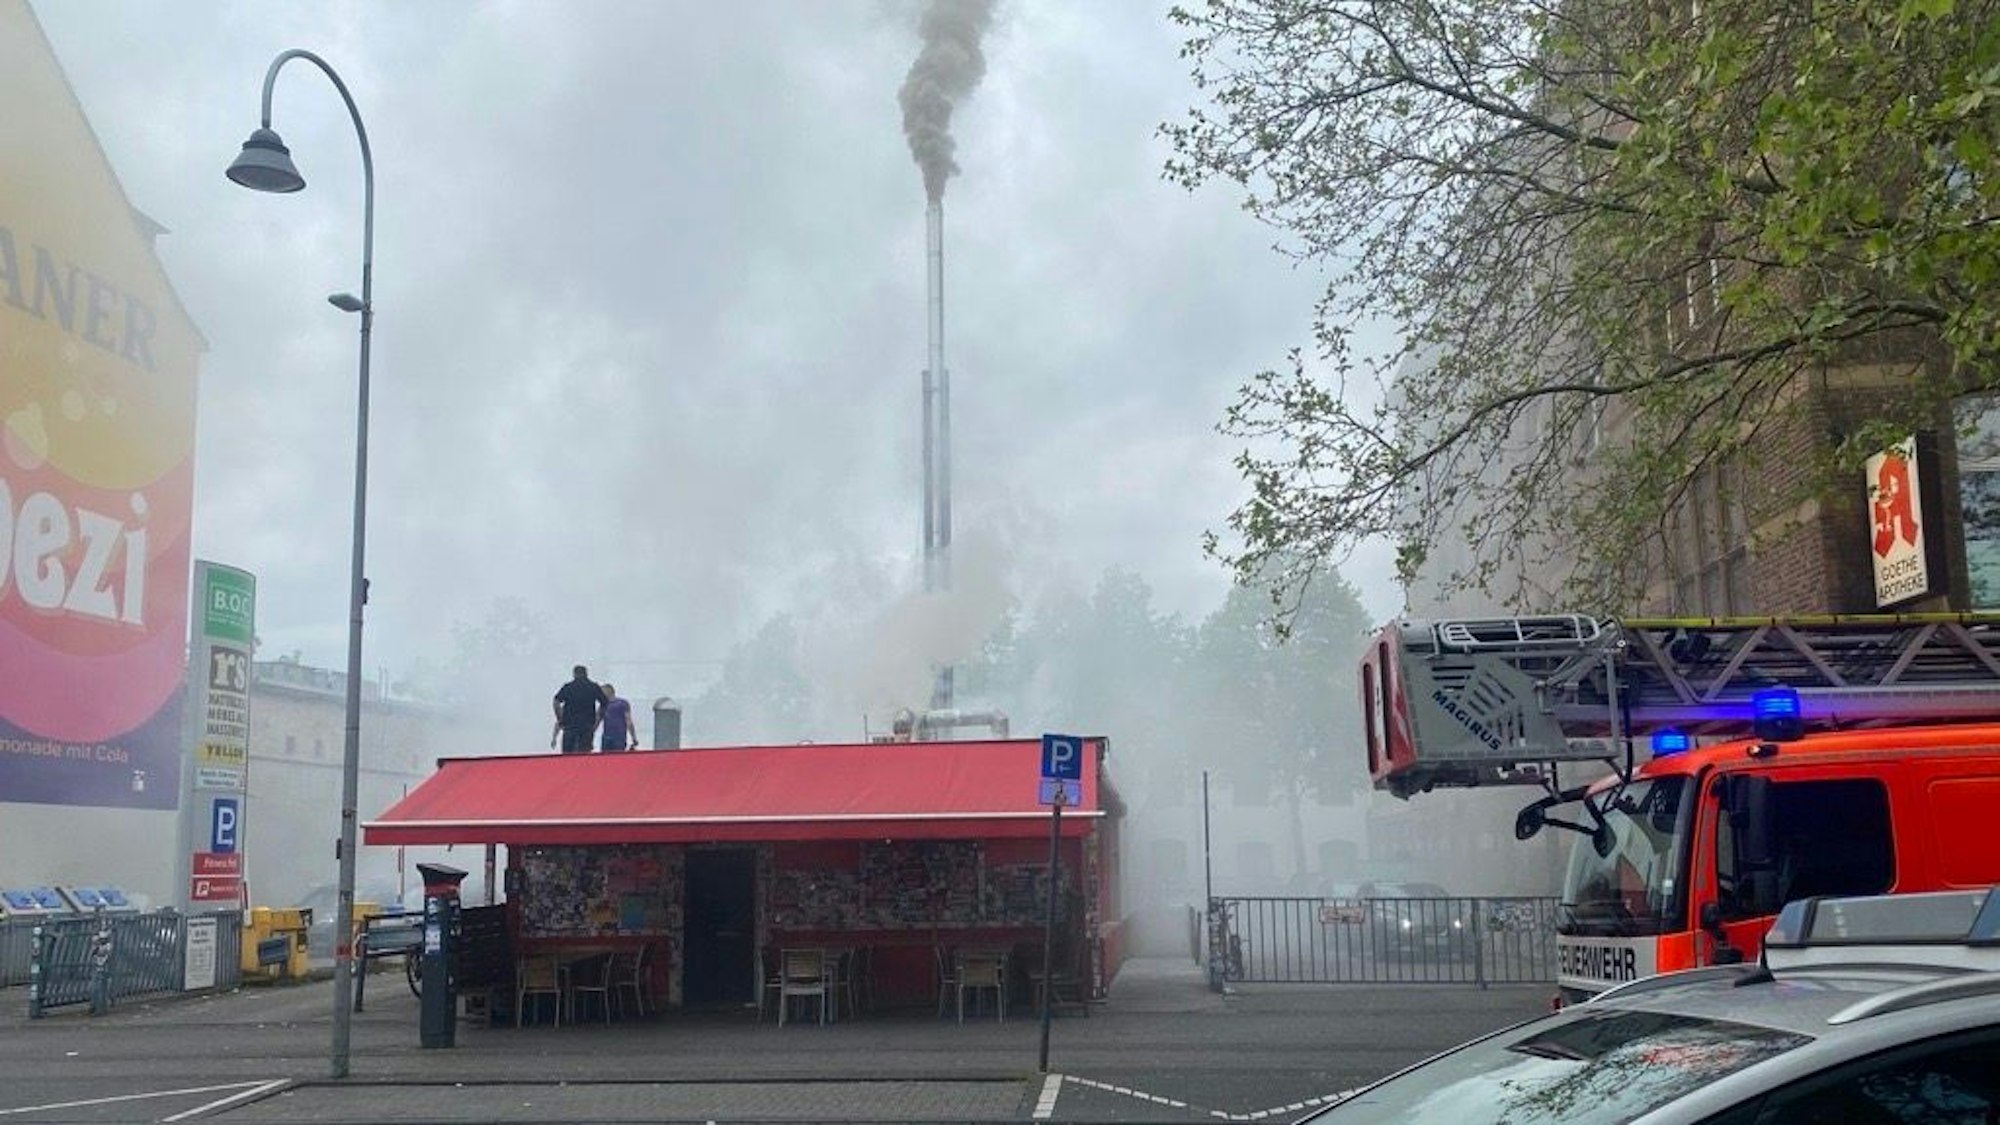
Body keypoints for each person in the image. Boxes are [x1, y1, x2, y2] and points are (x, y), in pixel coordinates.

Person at [551, 665, 602, 753]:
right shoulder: (593, 686)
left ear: (574, 674)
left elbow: (556, 702)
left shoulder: (568, 687)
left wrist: (560, 719)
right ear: (586, 674)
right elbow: (604, 703)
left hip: (570, 726)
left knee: (568, 756)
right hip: (587, 726)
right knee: (584, 755)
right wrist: (597, 721)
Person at [600, 683, 637, 752]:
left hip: (617, 738)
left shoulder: (621, 703)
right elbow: (597, 721)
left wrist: (633, 737)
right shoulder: (603, 705)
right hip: (611, 737)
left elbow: (628, 721)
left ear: (609, 692)